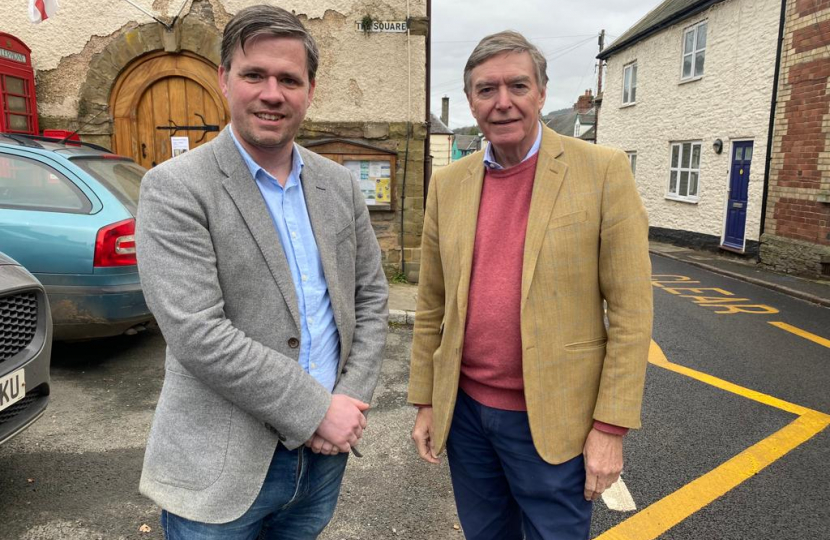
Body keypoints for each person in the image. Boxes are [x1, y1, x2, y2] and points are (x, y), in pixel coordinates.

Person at [136, 5, 388, 539]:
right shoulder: (176, 188)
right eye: (255, 75)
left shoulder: (338, 185)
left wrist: (348, 403)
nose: (272, 93)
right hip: (221, 468)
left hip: (325, 457)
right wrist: (317, 409)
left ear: (310, 90)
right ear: (225, 79)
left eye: (289, 79)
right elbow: (197, 333)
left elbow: (369, 298)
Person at [408, 30, 652, 540]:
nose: (502, 103)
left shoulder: (602, 171)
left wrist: (610, 429)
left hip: (555, 419)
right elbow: (431, 306)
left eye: (517, 86)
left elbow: (631, 314)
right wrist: (426, 402)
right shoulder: (448, 184)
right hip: (469, 417)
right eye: (485, 90)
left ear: (542, 92)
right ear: (471, 101)